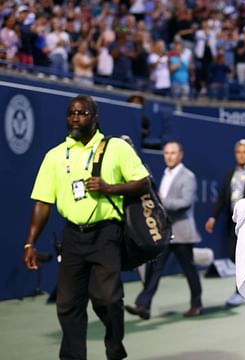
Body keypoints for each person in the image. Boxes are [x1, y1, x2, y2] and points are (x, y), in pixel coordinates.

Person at [23, 95, 150, 360]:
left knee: (107, 299)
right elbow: (43, 202)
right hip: (72, 235)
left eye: (82, 113)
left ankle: (114, 348)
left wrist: (109, 188)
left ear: (95, 117)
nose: (75, 118)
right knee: (67, 305)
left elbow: (143, 183)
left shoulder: (116, 147)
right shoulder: (55, 156)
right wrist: (30, 243)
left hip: (107, 234)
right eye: (71, 113)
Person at [125, 141, 203, 319]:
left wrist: (160, 201)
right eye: (166, 153)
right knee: (154, 269)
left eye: (173, 153)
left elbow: (184, 203)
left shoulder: (188, 176)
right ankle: (143, 305)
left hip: (182, 233)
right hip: (165, 232)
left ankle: (197, 304)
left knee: (189, 270)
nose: (169, 156)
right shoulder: (165, 173)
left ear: (180, 155)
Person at [204, 139, 245, 306]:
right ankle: (244, 290)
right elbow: (222, 199)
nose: (241, 155)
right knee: (235, 256)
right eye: (238, 152)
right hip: (235, 224)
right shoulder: (229, 174)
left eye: (244, 152)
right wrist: (212, 217)